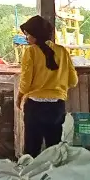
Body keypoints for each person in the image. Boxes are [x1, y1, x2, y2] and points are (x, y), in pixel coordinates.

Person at [17, 14, 78, 157]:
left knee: (32, 150)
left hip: (35, 106)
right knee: (55, 149)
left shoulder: (30, 52)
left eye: (28, 34)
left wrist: (19, 97)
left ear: (36, 35)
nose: (27, 38)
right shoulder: (62, 51)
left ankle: (29, 177)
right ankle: (53, 177)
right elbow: (73, 80)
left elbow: (26, 81)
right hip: (56, 106)